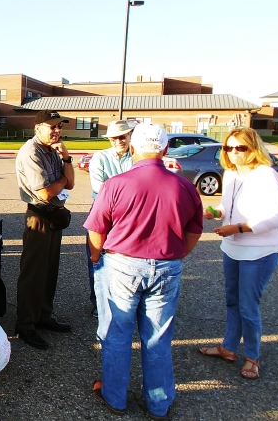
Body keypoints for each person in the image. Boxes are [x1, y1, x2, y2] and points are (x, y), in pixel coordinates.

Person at [84, 123, 203, 420]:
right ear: (165, 148)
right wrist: (177, 255)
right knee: (157, 336)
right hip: (166, 266)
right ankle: (158, 403)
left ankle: (115, 397)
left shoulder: (116, 184)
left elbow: (96, 230)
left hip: (122, 265)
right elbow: (194, 231)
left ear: (134, 147)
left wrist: (97, 258)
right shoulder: (184, 186)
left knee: (117, 332)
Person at [198, 128, 278, 381]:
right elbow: (228, 205)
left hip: (260, 250)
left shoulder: (266, 175)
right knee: (232, 301)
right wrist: (216, 212)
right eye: (228, 148)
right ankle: (228, 347)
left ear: (253, 148)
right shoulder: (231, 174)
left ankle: (252, 357)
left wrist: (239, 227)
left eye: (240, 148)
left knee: (248, 306)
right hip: (232, 248)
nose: (233, 152)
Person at [13, 110, 76, 350]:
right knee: (33, 273)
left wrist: (66, 158)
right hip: (38, 217)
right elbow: (45, 192)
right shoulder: (31, 152)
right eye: (52, 126)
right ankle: (25, 324)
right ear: (38, 127)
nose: (57, 130)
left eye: (60, 126)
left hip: (54, 216)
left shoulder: (53, 151)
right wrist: (61, 181)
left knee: (49, 270)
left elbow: (71, 183)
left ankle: (43, 315)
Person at [84, 120, 134, 317]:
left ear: (130, 136)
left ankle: (125, 302)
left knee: (128, 259)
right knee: (97, 259)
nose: (118, 141)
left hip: (130, 214)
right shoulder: (100, 157)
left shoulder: (137, 157)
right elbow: (99, 187)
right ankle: (99, 302)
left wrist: (116, 188)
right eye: (114, 138)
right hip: (103, 211)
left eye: (122, 137)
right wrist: (129, 191)